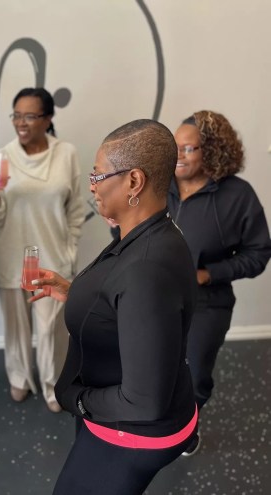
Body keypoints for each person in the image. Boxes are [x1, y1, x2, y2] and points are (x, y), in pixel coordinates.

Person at [32, 120, 199, 494]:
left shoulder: (146, 268)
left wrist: (74, 398)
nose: (92, 185)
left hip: (131, 434)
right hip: (124, 419)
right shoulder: (155, 232)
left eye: (98, 175)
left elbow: (144, 402)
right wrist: (77, 293)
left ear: (134, 181)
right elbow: (132, 307)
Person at [168, 110, 271, 455]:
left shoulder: (238, 196)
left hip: (206, 302)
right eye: (174, 147)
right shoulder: (158, 183)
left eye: (189, 149)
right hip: (156, 297)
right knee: (155, 367)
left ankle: (186, 430)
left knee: (195, 374)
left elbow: (258, 253)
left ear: (212, 151)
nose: (178, 156)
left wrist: (208, 273)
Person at [0, 87, 84, 412]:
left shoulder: (66, 153)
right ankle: (20, 377)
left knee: (53, 330)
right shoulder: (2, 157)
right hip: (11, 255)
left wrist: (70, 251)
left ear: (48, 118)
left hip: (53, 258)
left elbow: (76, 209)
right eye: (16, 115)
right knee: (16, 329)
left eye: (29, 116)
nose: (20, 123)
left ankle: (54, 385)